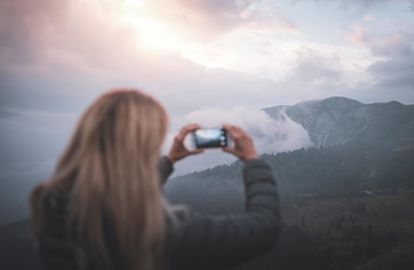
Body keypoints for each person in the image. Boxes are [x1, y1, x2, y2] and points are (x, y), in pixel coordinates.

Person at [30, 89, 281, 270]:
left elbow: (120, 197)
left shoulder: (53, 209)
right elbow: (264, 228)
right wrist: (252, 161)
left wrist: (169, 161)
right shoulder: (165, 235)